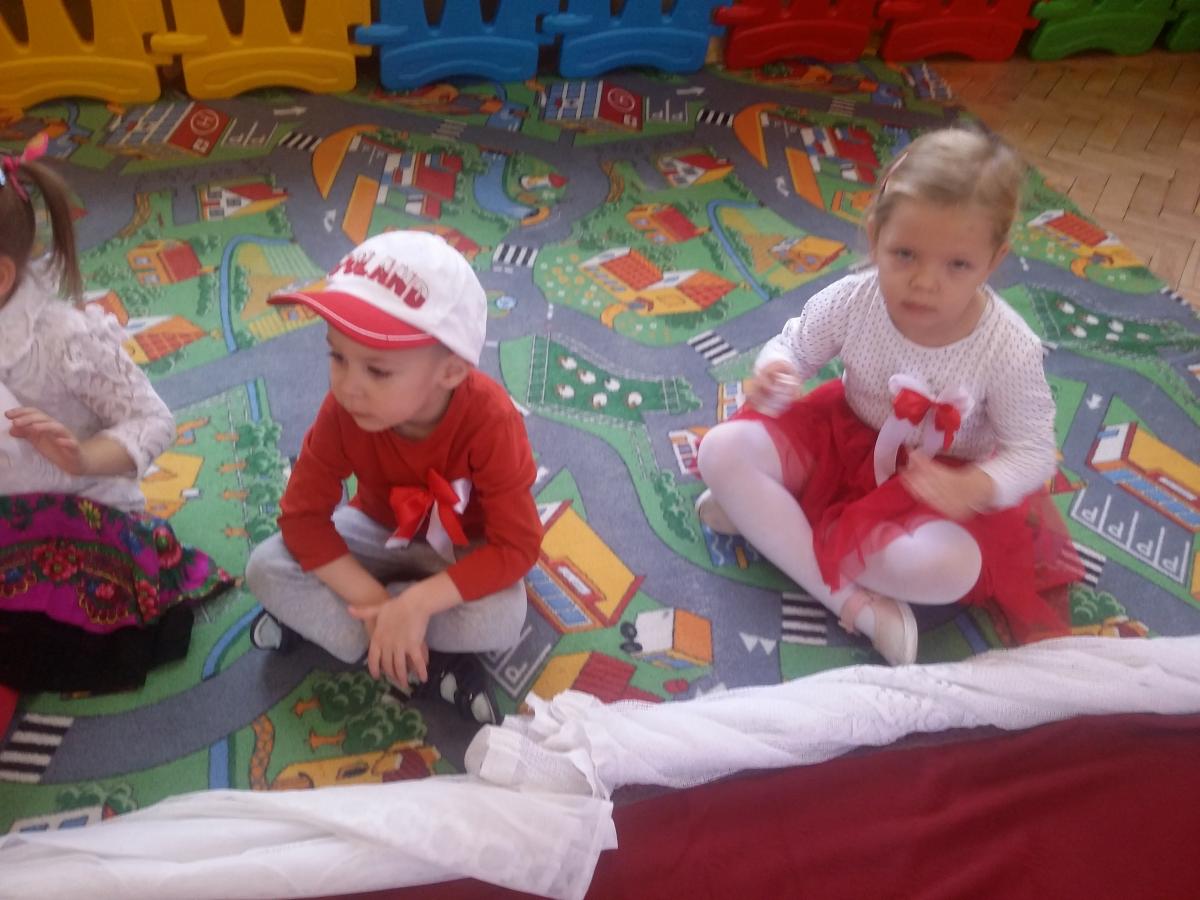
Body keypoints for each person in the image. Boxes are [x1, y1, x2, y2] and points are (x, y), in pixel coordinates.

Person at [696, 128, 1082, 666]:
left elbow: (1033, 453)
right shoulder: (854, 299)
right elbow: (794, 346)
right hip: (844, 441)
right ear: (876, 236)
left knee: (949, 569)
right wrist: (776, 370)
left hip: (938, 485)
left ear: (993, 261)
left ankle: (768, 521)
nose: (925, 282)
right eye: (904, 254)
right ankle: (855, 606)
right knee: (719, 450)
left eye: (957, 265)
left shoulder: (1008, 348)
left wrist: (974, 486)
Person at [245, 230, 543, 724]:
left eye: (377, 371)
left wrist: (420, 602)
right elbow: (301, 519)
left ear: (450, 372)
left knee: (504, 615)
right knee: (264, 566)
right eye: (337, 356)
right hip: (377, 530)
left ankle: (363, 633)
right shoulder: (342, 410)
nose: (348, 387)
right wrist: (377, 602)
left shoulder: (491, 419)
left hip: (461, 548)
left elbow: (516, 547)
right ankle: (412, 648)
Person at [0, 133, 232, 693]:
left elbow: (154, 421)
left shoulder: (63, 339)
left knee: (62, 637)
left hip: (80, 505)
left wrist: (80, 456)